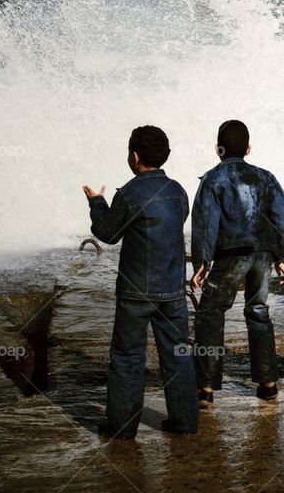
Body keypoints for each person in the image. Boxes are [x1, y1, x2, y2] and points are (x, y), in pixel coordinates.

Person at [83, 125, 198, 439]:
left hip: (135, 291)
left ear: (134, 157)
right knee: (178, 354)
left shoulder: (129, 193)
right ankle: (185, 422)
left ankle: (121, 427)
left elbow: (108, 233)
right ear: (165, 155)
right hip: (173, 289)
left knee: (127, 357)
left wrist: (97, 203)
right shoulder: (178, 191)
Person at [190, 119, 284, 405]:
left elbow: (205, 222)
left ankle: (206, 388)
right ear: (248, 149)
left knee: (210, 312)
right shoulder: (265, 177)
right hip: (262, 254)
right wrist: (282, 257)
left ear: (218, 149)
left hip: (230, 254)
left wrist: (201, 262)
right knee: (258, 310)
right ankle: (268, 383)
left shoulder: (213, 179)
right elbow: (283, 216)